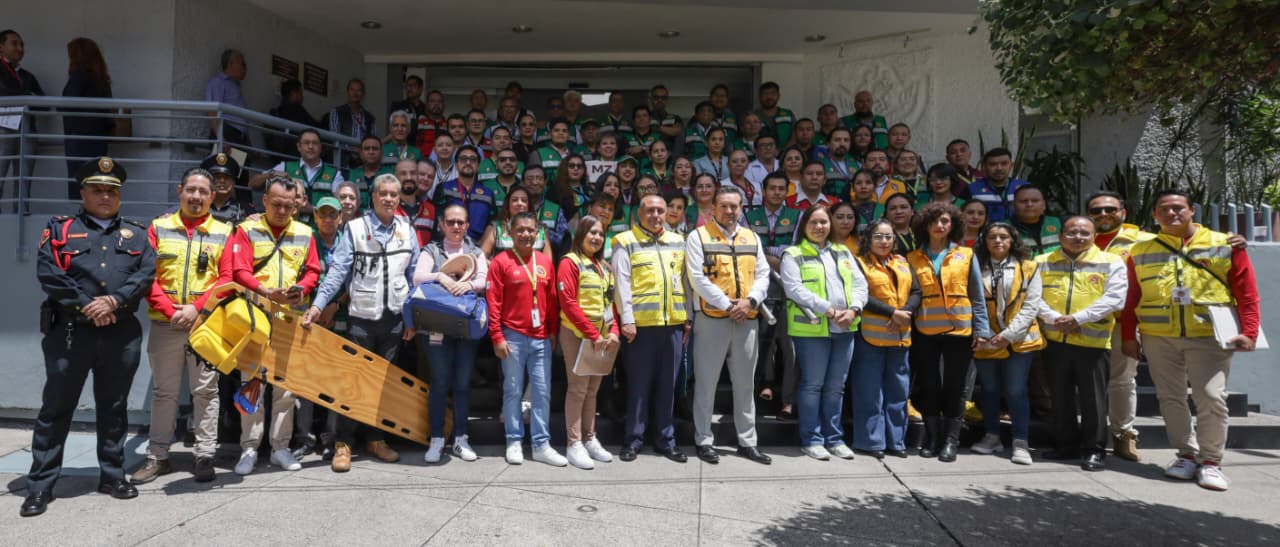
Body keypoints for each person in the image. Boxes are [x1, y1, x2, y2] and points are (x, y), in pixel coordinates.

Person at [21, 158, 155, 518]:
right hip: (70, 333)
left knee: (114, 408)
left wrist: (114, 300)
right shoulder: (60, 230)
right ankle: (41, 485)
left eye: (112, 191)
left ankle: (112, 475)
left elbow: (145, 274)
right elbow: (50, 274)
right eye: (97, 189)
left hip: (120, 332)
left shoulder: (138, 234)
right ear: (82, 193)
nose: (105, 196)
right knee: (56, 409)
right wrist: (88, 306)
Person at [1122, 189, 1260, 491]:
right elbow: (1132, 296)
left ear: (1191, 210)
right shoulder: (1141, 249)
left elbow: (1246, 292)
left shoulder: (1223, 243)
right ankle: (1185, 454)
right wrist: (1128, 336)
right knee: (1170, 398)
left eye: (1177, 208)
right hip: (1158, 336)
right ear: (1155, 215)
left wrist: (1249, 331)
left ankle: (1211, 461)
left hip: (1207, 336)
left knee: (1211, 397)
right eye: (1164, 209)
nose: (1171, 214)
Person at [302, 173, 411, 471]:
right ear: (373, 197)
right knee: (353, 382)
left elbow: (411, 275)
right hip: (361, 318)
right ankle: (344, 443)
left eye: (393, 194)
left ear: (399, 199)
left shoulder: (406, 227)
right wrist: (317, 305)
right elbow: (338, 272)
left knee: (382, 383)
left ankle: (376, 439)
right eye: (383, 194)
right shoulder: (354, 228)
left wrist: (412, 318)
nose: (388, 199)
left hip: (394, 319)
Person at [131, 167, 232, 486]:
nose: (197, 196)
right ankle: (158, 456)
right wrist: (170, 310)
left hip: (206, 325)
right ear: (180, 191)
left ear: (212, 196)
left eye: (204, 192)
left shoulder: (224, 231)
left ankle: (204, 456)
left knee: (206, 392)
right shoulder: (159, 228)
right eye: (191, 190)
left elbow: (227, 279)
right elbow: (147, 275)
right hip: (166, 323)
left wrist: (196, 309)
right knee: (164, 393)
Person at [227, 175, 322, 477]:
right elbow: (238, 271)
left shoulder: (305, 233)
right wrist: (266, 292)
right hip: (253, 318)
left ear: (296, 205)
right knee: (251, 385)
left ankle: (280, 447)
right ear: (265, 201)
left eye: (287, 206)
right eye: (276, 204)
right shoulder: (247, 230)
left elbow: (313, 270)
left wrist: (302, 290)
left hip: (288, 321)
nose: (282, 211)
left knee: (284, 390)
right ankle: (249, 448)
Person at [686, 188, 773, 465]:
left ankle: (748, 442)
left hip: (746, 319)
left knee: (746, 384)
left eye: (735, 206)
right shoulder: (697, 236)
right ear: (713, 207)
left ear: (742, 208)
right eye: (724, 206)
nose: (730, 211)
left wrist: (750, 301)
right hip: (712, 318)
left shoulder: (752, 237)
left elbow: (764, 274)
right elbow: (696, 277)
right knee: (706, 383)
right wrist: (728, 305)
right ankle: (703, 439)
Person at [1036, 216, 1127, 471]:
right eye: (1072, 232)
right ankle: (1066, 445)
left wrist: (1078, 319)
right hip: (1054, 340)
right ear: (1061, 235)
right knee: (1059, 396)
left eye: (1084, 233)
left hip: (1093, 342)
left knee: (1093, 400)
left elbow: (1115, 298)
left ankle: (1094, 449)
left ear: (1094, 235)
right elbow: (1032, 295)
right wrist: (1055, 319)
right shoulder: (1042, 262)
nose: (1078, 237)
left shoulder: (1110, 262)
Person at [906, 202, 991, 463]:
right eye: (934, 221)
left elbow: (977, 296)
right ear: (925, 225)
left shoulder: (966, 255)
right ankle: (932, 439)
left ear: (953, 225)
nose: (940, 226)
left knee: (956, 387)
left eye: (945, 221)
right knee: (930, 385)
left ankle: (951, 441)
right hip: (926, 331)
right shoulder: (912, 258)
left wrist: (982, 330)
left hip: (960, 331)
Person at [781, 205, 866, 460]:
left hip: (845, 327)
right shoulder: (793, 253)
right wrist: (829, 310)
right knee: (812, 385)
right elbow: (794, 289)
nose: (820, 227)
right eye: (814, 222)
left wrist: (853, 309)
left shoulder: (842, 252)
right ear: (804, 226)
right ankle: (812, 439)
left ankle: (835, 439)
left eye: (824, 222)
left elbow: (861, 284)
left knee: (836, 387)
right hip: (812, 330)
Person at [613, 195, 689, 463]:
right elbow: (621, 283)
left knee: (667, 387)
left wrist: (687, 318)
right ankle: (633, 440)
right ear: (638, 215)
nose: (656, 215)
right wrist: (627, 319)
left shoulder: (678, 241)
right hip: (640, 327)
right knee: (638, 386)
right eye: (650, 210)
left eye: (660, 210)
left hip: (673, 325)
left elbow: (685, 281)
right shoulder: (625, 241)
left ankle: (666, 441)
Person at [487, 212, 565, 466]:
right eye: (520, 230)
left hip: (542, 337)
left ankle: (541, 444)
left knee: (542, 392)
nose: (526, 234)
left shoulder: (544, 261)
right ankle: (514, 440)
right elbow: (493, 302)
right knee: (512, 390)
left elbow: (552, 301)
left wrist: (552, 330)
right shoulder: (501, 261)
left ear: (538, 233)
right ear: (509, 233)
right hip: (512, 336)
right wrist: (497, 335)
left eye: (531, 230)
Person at [412, 204, 487, 463]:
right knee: (440, 383)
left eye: (461, 222)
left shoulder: (475, 252)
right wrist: (440, 277)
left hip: (464, 327)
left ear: (467, 225)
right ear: (442, 224)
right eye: (451, 222)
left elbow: (484, 281)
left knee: (462, 384)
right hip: (435, 326)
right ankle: (436, 439)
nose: (456, 226)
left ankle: (461, 439)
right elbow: (417, 277)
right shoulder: (431, 250)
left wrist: (469, 283)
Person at [970, 222, 1045, 466]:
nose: (998, 241)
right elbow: (972, 302)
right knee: (990, 390)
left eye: (1004, 237)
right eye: (992, 237)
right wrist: (986, 333)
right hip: (986, 338)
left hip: (1018, 339)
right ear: (985, 241)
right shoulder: (975, 266)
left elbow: (1032, 305)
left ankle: (1020, 442)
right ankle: (992, 436)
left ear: (1013, 240)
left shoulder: (1028, 267)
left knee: (1015, 390)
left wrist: (1009, 334)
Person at [1086, 191, 1152, 462]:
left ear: (1123, 212)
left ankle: (1123, 435)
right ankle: (1091, 435)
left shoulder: (1143, 240)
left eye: (1110, 209)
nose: (1103, 215)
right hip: (1084, 323)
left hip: (1123, 322)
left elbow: (1185, 240)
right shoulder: (1079, 238)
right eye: (1097, 210)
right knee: (1086, 382)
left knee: (1123, 380)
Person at [557, 215, 621, 469]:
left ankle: (590, 438)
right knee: (577, 389)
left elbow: (611, 303)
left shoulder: (603, 266)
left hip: (602, 338)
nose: (596, 237)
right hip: (577, 334)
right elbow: (569, 304)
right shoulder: (570, 262)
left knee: (592, 390)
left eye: (600, 233)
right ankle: (574, 443)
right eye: (591, 232)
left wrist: (613, 331)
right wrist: (593, 335)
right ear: (580, 234)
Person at [850, 219, 918, 460]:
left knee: (899, 392)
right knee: (870, 392)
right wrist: (893, 314)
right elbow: (862, 296)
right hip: (871, 338)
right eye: (878, 236)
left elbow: (917, 291)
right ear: (868, 238)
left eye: (889, 236)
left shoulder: (902, 262)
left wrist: (906, 312)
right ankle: (871, 442)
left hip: (901, 338)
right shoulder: (859, 263)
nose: (884, 241)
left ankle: (896, 441)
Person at [746, 173, 800, 414]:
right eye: (773, 188)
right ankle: (760, 390)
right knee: (760, 343)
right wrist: (775, 256)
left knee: (789, 346)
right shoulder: (748, 215)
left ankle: (788, 399)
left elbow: (795, 252)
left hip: (788, 287)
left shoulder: (797, 216)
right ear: (763, 190)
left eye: (781, 188)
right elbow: (749, 250)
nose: (777, 192)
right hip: (758, 286)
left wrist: (767, 255)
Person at [60, 37, 115, 200]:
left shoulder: (79, 76)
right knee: (96, 180)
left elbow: (67, 103)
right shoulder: (101, 79)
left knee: (78, 183)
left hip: (78, 138)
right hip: (98, 139)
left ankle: (79, 219)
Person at [1, 30, 44, 208]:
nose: (20, 48)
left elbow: (43, 102)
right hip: (3, 129)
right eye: (14, 43)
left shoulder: (27, 75)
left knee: (24, 183)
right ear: (1, 47)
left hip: (27, 130)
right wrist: (27, 95)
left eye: (22, 44)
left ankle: (22, 220)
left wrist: (26, 96)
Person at [251, 128, 345, 209]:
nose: (311, 146)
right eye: (306, 143)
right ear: (299, 147)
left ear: (321, 147)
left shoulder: (334, 174)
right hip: (289, 226)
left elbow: (339, 206)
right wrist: (271, 174)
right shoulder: (285, 167)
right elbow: (253, 184)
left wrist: (312, 210)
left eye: (315, 143)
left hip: (321, 227)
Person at [434, 145, 497, 241]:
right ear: (456, 165)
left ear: (478, 166)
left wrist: (480, 249)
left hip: (478, 247)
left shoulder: (487, 194)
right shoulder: (444, 188)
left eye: (473, 160)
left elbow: (491, 224)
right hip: (448, 244)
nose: (468, 162)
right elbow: (438, 219)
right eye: (463, 159)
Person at [481, 186, 552, 258]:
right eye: (514, 200)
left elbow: (548, 262)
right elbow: (482, 259)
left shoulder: (541, 229)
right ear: (508, 204)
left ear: (529, 205)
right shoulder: (495, 227)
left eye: (524, 200)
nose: (519, 203)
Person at [968, 148, 1027, 223]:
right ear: (984, 167)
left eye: (1004, 163)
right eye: (993, 164)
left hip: (1019, 232)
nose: (999, 168)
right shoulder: (971, 188)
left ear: (1011, 165)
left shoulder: (1025, 187)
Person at [203, 49, 247, 149]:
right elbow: (212, 112)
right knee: (223, 164)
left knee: (235, 164)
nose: (245, 68)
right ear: (231, 64)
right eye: (242, 63)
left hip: (237, 137)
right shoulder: (218, 83)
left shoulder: (235, 85)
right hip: (226, 134)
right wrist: (221, 139)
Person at [327, 78, 376, 166]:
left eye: (359, 90)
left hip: (363, 161)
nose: (355, 93)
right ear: (347, 92)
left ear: (363, 94)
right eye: (352, 89)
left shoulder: (370, 118)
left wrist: (361, 150)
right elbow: (334, 136)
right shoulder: (337, 112)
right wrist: (351, 150)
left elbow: (372, 140)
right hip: (342, 159)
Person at [267, 79, 318, 157]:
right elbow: (315, 127)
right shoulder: (297, 110)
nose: (302, 96)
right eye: (301, 93)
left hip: (278, 158)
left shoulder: (278, 111)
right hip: (294, 157)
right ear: (294, 93)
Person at [200, 152, 254, 224]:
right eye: (217, 177)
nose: (222, 180)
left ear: (234, 182)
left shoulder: (246, 210)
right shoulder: (198, 204)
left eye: (227, 177)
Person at [1011, 185, 1061, 256]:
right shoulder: (1004, 228)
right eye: (1023, 201)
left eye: (1035, 201)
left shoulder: (1059, 223)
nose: (1029, 204)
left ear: (1044, 205)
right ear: (1013, 206)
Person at [820, 128, 860, 200]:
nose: (842, 144)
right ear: (828, 144)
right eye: (837, 140)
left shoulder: (858, 165)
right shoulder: (819, 165)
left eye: (846, 140)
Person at [346, 136, 386, 209]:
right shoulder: (351, 175)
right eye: (367, 149)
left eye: (375, 149)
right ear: (361, 153)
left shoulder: (389, 175)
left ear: (381, 153)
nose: (371, 152)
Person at [756, 81, 796, 146]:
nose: (769, 97)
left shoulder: (788, 114)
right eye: (765, 94)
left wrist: (783, 152)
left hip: (785, 153)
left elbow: (795, 136)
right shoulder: (754, 116)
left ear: (778, 96)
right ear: (759, 97)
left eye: (773, 93)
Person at [648, 84, 684, 150]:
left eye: (663, 98)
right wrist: (668, 130)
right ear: (651, 99)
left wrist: (657, 128)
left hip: (670, 154)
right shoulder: (645, 116)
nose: (660, 100)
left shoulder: (675, 118)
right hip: (648, 153)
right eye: (656, 97)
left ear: (667, 100)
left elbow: (677, 131)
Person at [415, 89, 448, 158]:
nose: (436, 104)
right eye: (432, 101)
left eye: (439, 101)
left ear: (444, 105)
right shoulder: (418, 122)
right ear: (427, 104)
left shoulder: (448, 124)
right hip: (422, 162)